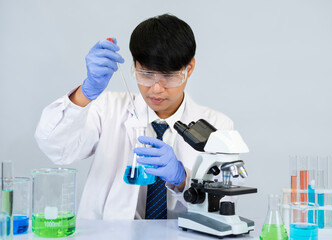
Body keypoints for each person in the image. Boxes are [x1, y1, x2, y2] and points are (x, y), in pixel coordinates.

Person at [35, 14, 240, 220]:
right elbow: (57, 149)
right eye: (147, 74)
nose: (156, 89)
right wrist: (85, 93)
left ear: (189, 68)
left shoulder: (218, 127)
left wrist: (182, 179)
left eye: (168, 76)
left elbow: (224, 207)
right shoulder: (107, 108)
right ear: (134, 66)